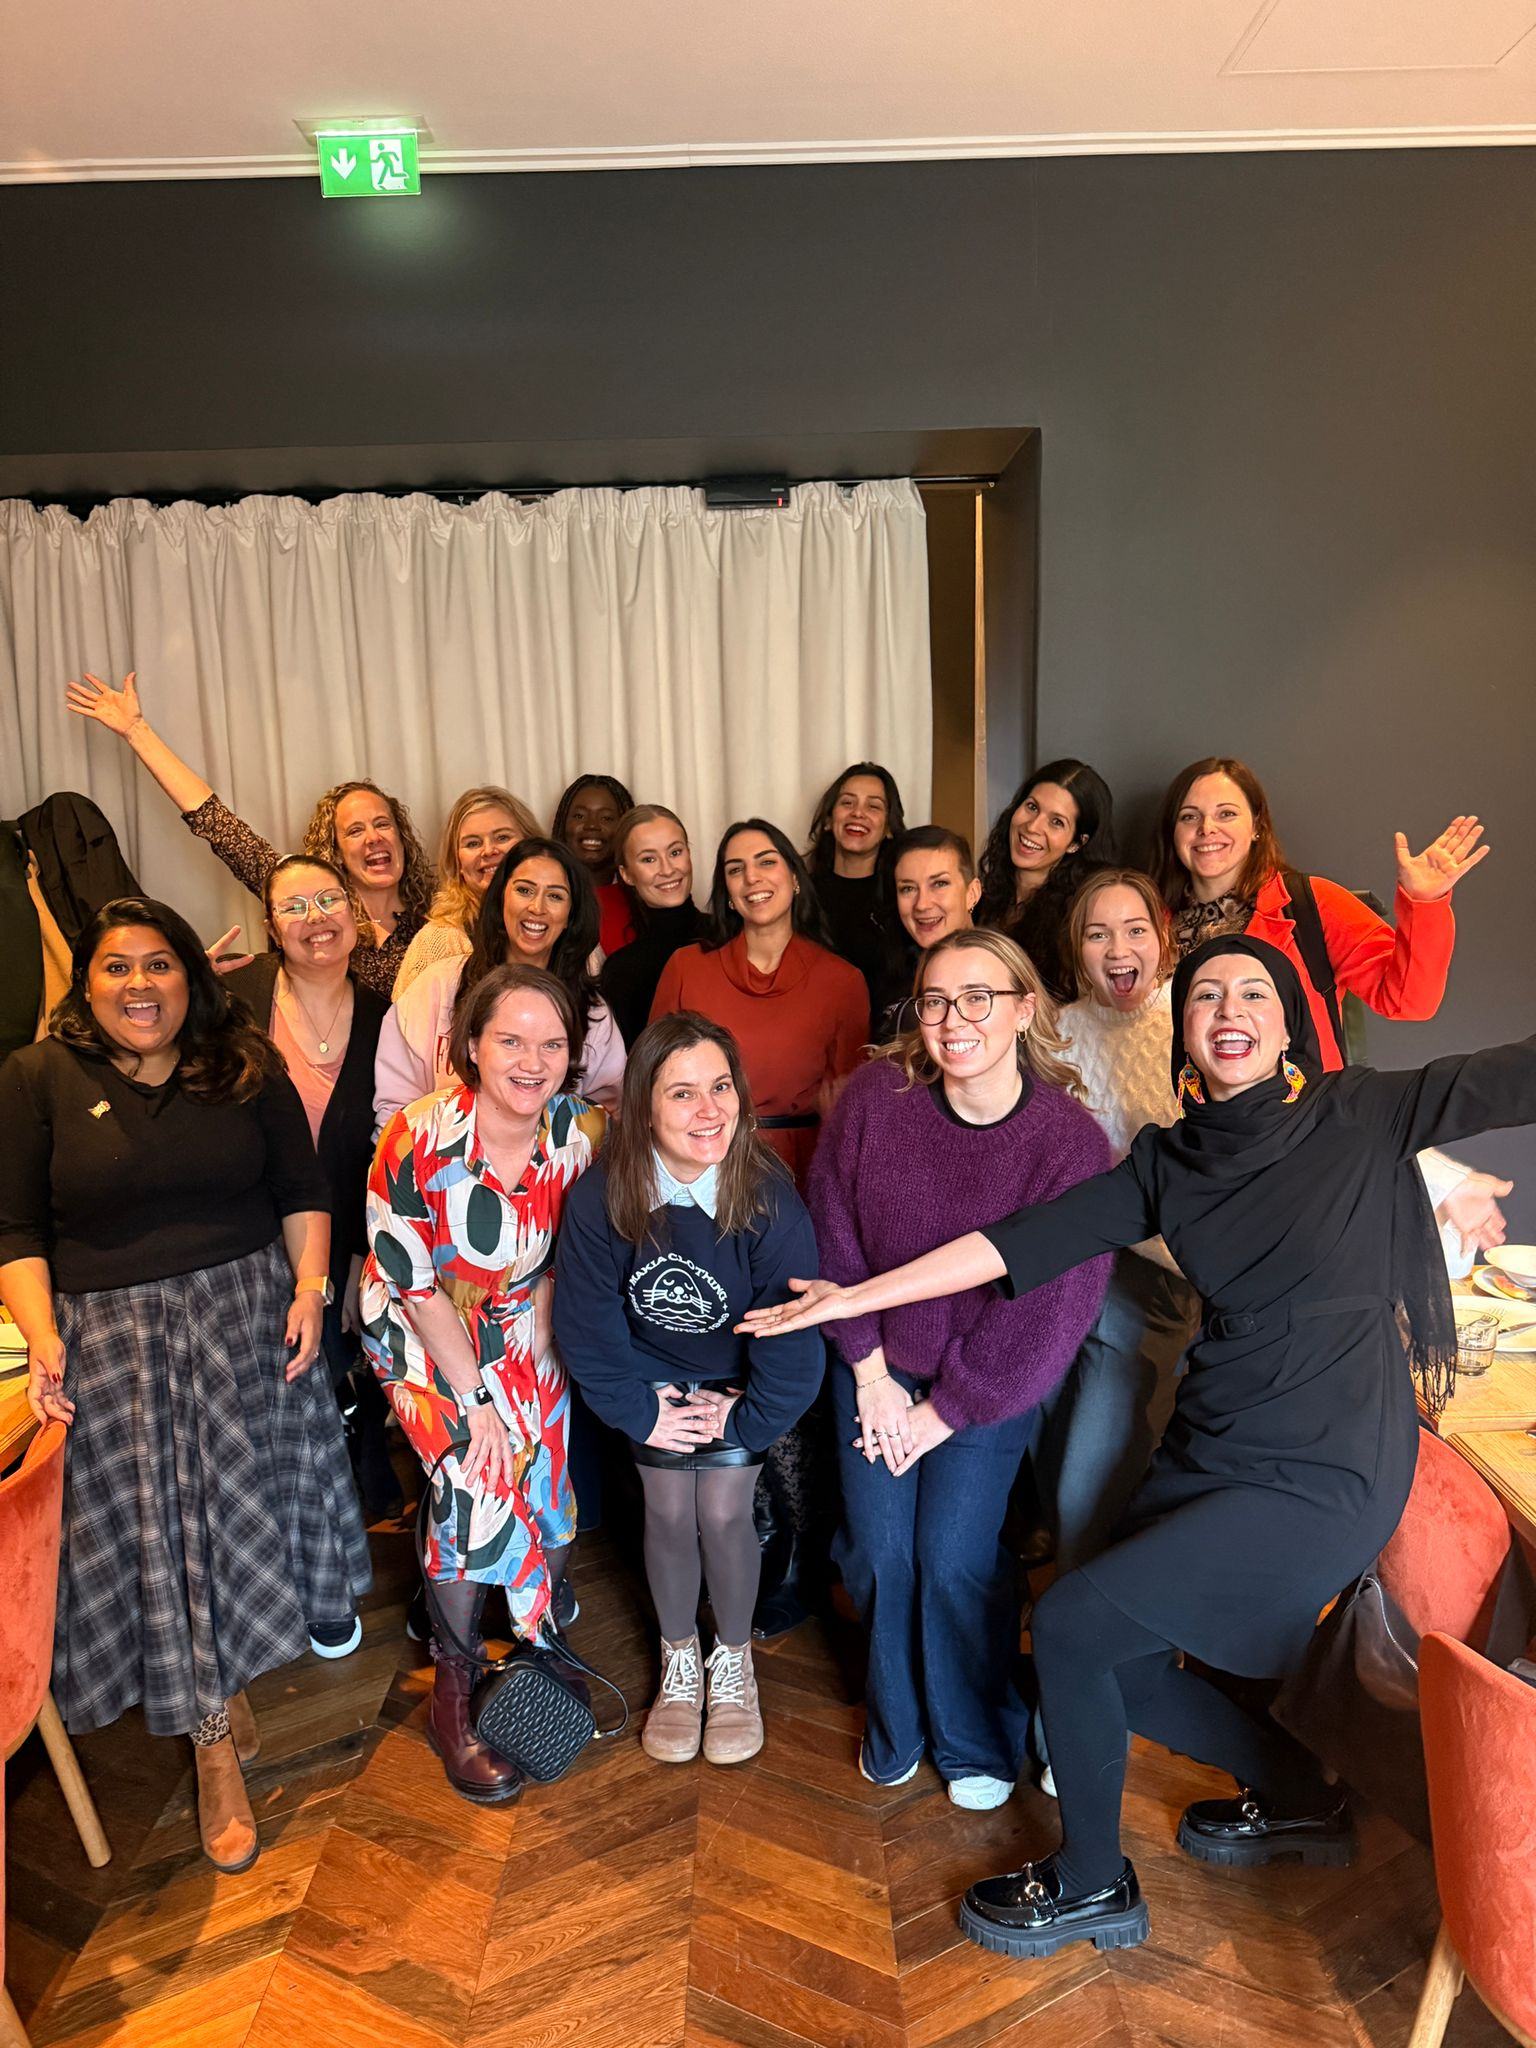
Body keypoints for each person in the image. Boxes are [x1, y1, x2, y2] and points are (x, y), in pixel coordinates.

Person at [743, 935, 1536, 1961]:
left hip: (1328, 1460)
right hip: (1220, 1437)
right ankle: (1301, 1793)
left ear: (1288, 1021)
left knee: (1068, 1622)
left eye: (1253, 990)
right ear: (1184, 1029)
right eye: (1206, 993)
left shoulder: (1363, 1111)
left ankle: (1090, 1884)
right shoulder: (1168, 1159)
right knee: (1122, 1661)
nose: (1228, 1005)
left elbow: (1513, 1073)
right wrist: (854, 1299)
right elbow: (1013, 1246)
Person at [0, 898, 370, 1874]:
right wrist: (42, 1337)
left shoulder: (242, 1061)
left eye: (158, 964)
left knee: (235, 1523)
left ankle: (221, 1681)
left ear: (190, 977)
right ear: (85, 982)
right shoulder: (37, 1076)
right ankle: (212, 1745)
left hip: (246, 1322)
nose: (139, 984)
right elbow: (15, 1227)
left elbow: (303, 1187)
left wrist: (309, 1289)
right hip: (113, 1344)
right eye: (116, 966)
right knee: (166, 1539)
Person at [808, 931, 1110, 1807]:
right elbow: (833, 1232)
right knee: (878, 1553)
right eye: (936, 1000)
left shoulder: (1069, 1143)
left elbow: (1053, 1310)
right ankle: (895, 1723)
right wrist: (866, 1373)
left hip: (984, 1387)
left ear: (1022, 1010)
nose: (954, 1019)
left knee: (950, 1558)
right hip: (871, 1361)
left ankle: (975, 1736)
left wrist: (945, 1411)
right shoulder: (875, 1100)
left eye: (978, 997)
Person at [360, 964, 607, 1804]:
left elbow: (597, 1241)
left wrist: (548, 1308)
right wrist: (476, 1402)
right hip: (423, 1324)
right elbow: (414, 1282)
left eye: (552, 1043)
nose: (531, 1060)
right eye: (510, 1039)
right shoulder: (418, 1137)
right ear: (471, 1045)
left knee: (545, 1480)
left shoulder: (582, 1131)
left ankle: (536, 1640)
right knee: (476, 1472)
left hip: (524, 1320)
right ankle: (455, 1692)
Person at [553, 1014, 823, 1766]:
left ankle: (731, 1663)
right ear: (643, 1108)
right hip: (647, 1373)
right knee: (671, 1509)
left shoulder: (769, 1198)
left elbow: (794, 1329)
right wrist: (642, 1410)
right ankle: (681, 1661)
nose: (710, 1110)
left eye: (721, 1087)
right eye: (683, 1094)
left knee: (723, 1508)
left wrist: (747, 1418)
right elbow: (587, 1324)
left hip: (738, 1376)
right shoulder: (602, 1196)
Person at [650, 819, 866, 1635]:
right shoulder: (688, 968)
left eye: (765, 861)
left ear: (794, 876)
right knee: (707, 1337)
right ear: (723, 887)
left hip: (800, 1174)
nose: (750, 878)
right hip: (702, 1165)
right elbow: (655, 1079)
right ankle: (730, 1539)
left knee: (784, 1349)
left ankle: (796, 1548)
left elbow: (846, 1106)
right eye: (734, 868)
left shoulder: (839, 978)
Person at [65, 672, 434, 998]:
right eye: (355, 830)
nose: (373, 838)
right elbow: (214, 820)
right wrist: (136, 730)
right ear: (335, 853)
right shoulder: (301, 903)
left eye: (383, 823)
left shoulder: (439, 918)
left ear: (402, 836)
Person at [224, 853, 401, 1524]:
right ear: (271, 925)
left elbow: (389, 1156)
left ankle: (335, 1518)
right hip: (246, 1239)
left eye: (327, 901)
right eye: (293, 908)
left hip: (346, 1241)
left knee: (324, 1369)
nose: (314, 920)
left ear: (352, 912)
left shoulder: (391, 1019)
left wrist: (359, 1257)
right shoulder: (233, 1003)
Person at [1036, 871, 1200, 1576]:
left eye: (1134, 930)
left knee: (1094, 1461)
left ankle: (1078, 1614)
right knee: (1039, 1417)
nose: (1117, 947)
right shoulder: (1058, 1030)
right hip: (1072, 1258)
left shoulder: (1193, 1017)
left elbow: (1294, 1108)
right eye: (1097, 933)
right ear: (1077, 949)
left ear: (1161, 939)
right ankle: (1061, 1573)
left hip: (1162, 1272)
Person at [374, 837, 625, 1122]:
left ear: (571, 915)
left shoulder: (592, 1012)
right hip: (436, 1164)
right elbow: (395, 1112)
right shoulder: (438, 987)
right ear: (501, 897)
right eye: (524, 890)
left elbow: (608, 1115)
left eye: (555, 896)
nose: (537, 907)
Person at [975, 761, 1116, 1002]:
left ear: (1076, 843)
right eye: (1031, 807)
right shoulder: (984, 894)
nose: (1032, 826)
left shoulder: (1082, 914)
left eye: (1056, 822)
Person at [392, 785, 543, 997]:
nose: (489, 850)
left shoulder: (563, 922)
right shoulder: (436, 942)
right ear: (457, 863)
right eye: (473, 843)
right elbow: (403, 1025)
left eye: (502, 837)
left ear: (531, 846)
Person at [804, 762, 910, 1030]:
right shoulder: (800, 894)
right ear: (829, 819)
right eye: (847, 803)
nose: (858, 813)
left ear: (888, 826)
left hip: (883, 1045)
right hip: (813, 1037)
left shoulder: (902, 898)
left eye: (873, 806)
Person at [598, 806, 707, 1047]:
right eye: (649, 859)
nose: (667, 869)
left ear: (689, 854)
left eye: (675, 852)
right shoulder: (620, 972)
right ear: (626, 875)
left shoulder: (730, 936)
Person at [551, 774, 636, 958]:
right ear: (563, 824)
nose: (592, 826)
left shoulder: (642, 899)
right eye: (579, 816)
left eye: (606, 818)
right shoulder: (544, 898)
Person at [891, 825, 981, 953]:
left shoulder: (999, 968)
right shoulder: (899, 967)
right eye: (908, 888)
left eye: (939, 884)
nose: (921, 905)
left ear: (972, 893)